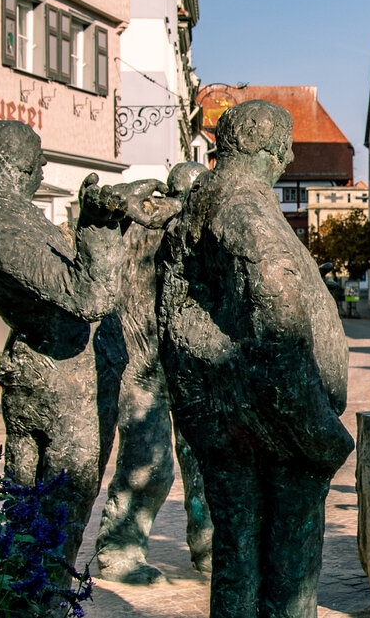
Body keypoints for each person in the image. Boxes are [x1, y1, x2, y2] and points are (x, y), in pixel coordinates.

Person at [158, 100, 353, 618]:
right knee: (288, 566)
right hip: (275, 425)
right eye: (284, 144)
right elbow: (280, 320)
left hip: (235, 415)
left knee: (240, 553)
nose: (289, 155)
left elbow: (179, 315)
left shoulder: (202, 204)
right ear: (263, 145)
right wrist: (315, 428)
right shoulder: (244, 206)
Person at [0, 120, 155, 572]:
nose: (44, 163)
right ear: (12, 160)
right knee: (55, 524)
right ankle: (43, 603)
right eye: (38, 155)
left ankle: (37, 599)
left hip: (52, 371)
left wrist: (118, 216)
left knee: (34, 524)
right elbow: (89, 296)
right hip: (61, 381)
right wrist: (97, 222)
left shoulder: (14, 212)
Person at [96, 162, 213, 582]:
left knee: (204, 459)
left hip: (191, 365)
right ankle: (119, 550)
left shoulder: (203, 232)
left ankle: (210, 546)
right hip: (142, 362)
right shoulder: (141, 228)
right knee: (149, 461)